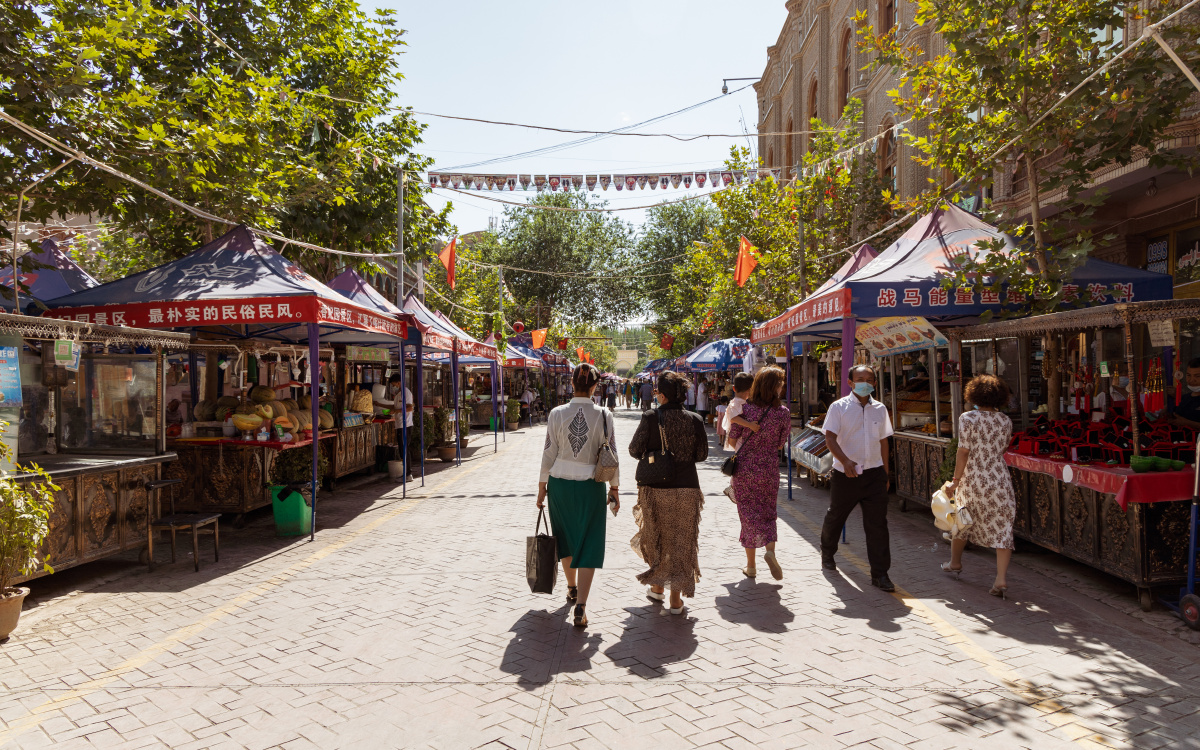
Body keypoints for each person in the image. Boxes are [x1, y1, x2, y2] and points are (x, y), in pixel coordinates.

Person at [538, 364, 620, 628]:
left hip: (559, 485)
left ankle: (572, 588)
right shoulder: (604, 415)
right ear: (595, 387)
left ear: (572, 384)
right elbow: (613, 455)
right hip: (591, 486)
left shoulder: (556, 413)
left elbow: (548, 451)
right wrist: (615, 488)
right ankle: (581, 605)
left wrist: (542, 484)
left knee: (565, 538)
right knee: (590, 542)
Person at [629, 371, 708, 614]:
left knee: (656, 537)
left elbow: (634, 449)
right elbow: (702, 455)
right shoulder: (694, 419)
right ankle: (674, 599)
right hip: (687, 487)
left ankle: (657, 587)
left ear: (662, 395)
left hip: (655, 488)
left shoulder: (651, 417)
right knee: (682, 541)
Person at [820, 365, 896, 592]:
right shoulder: (838, 407)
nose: (865, 382)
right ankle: (827, 552)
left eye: (869, 378)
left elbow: (884, 441)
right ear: (850, 382)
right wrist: (845, 461)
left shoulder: (880, 409)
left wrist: (885, 473)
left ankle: (880, 574)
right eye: (860, 378)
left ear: (874, 382)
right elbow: (830, 439)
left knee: (878, 525)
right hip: (846, 474)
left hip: (874, 474)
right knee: (836, 516)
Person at [942, 375, 1017, 599]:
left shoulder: (968, 418)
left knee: (963, 521)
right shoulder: (1005, 420)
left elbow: (963, 451)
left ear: (973, 395)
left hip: (973, 479)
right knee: (1003, 529)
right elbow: (1003, 449)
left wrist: (955, 481)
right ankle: (1001, 579)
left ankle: (955, 563)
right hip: (1000, 479)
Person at [726, 366, 792, 580]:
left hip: (745, 468)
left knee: (748, 516)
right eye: (780, 383)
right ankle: (770, 552)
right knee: (768, 513)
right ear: (774, 387)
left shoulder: (745, 410)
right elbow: (781, 444)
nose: (782, 387)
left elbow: (731, 440)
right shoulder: (783, 413)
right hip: (769, 469)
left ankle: (751, 566)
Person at [721, 372, 755, 451]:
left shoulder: (741, 402)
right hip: (735, 436)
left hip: (738, 436)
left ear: (734, 388)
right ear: (751, 389)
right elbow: (733, 418)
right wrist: (750, 425)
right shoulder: (735, 403)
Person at [1172, 358, 1200, 429]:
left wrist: (1187, 423)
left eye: (1197, 376)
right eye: (1188, 375)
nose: (1191, 380)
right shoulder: (1183, 398)